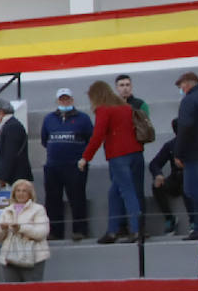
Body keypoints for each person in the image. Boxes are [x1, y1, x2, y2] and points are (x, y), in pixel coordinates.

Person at [78, 80, 141, 244]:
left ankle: (136, 230)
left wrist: (86, 157)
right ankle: (112, 230)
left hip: (118, 155)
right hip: (135, 153)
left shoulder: (104, 110)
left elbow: (97, 135)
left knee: (128, 193)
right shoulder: (126, 108)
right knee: (114, 193)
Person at [39, 87, 92, 241]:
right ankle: (55, 232)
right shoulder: (49, 119)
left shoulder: (83, 118)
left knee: (77, 199)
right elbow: (44, 139)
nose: (64, 101)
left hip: (75, 166)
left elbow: (91, 138)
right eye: (62, 99)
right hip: (53, 166)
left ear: (72, 100)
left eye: (67, 98)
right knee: (53, 200)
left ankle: (80, 230)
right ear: (57, 101)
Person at [112, 74, 150, 236]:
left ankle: (139, 228)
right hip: (117, 155)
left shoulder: (140, 104)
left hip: (135, 153)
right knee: (117, 191)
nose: (125, 87)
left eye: (127, 84)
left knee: (136, 191)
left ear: (131, 87)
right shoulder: (109, 105)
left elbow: (146, 127)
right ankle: (120, 227)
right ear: (116, 88)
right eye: (121, 85)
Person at [0, 179, 50, 282]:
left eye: (24, 191)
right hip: (9, 259)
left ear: (30, 193)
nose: (21, 193)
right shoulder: (7, 210)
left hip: (34, 258)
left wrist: (21, 228)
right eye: (18, 191)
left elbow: (42, 232)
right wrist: (2, 228)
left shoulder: (38, 209)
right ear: (14, 193)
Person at [173, 72, 198, 241]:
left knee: (192, 190)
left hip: (194, 153)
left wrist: (178, 152)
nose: (181, 89)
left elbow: (185, 126)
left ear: (187, 84)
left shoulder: (189, 100)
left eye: (181, 86)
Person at [147, 119, 186, 237]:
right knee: (157, 186)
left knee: (188, 184)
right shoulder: (170, 145)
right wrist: (158, 174)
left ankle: (195, 221)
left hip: (191, 178)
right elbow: (154, 163)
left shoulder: (196, 144)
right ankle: (170, 219)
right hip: (176, 179)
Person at [0, 97, 32, 193]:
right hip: (12, 177)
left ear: (1, 112)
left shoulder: (12, 127)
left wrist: (3, 178)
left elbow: (10, 154)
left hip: (14, 178)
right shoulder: (9, 126)